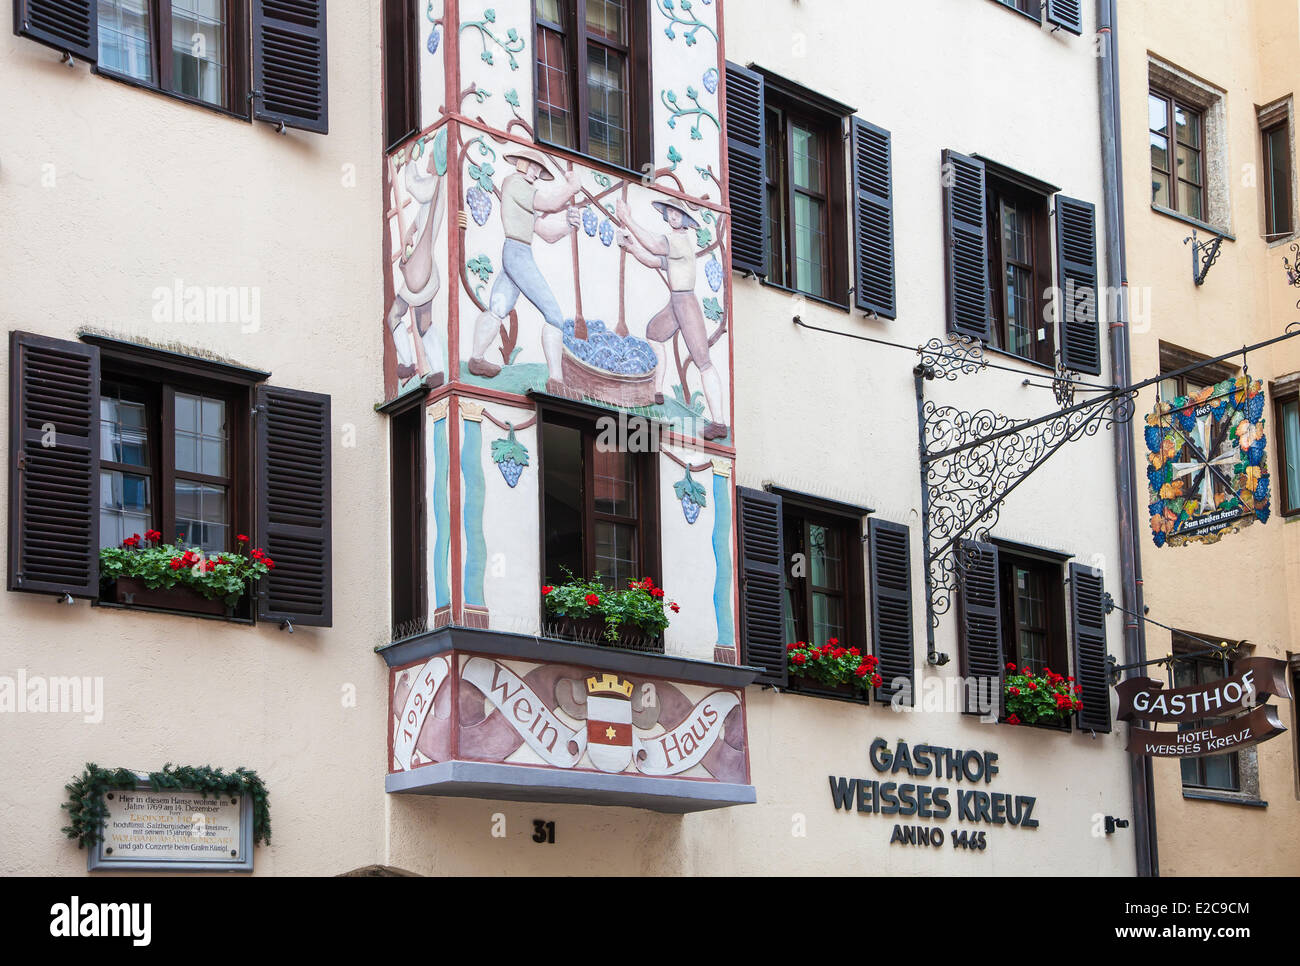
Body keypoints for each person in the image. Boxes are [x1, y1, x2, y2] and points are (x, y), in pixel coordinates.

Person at [467, 147, 584, 393]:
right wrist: (570, 188)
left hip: (517, 252)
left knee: (498, 308)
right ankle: (556, 381)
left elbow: (544, 232)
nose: (535, 171)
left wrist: (568, 226)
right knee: (554, 315)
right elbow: (550, 203)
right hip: (517, 253)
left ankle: (476, 359)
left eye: (539, 169)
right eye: (532, 165)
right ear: (519, 162)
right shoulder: (515, 183)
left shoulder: (524, 193)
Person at [616, 197, 728, 441]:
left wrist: (627, 219)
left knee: (703, 362)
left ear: (685, 219)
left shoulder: (679, 241)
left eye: (677, 213)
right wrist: (631, 247)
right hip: (675, 303)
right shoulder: (674, 245)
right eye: (670, 212)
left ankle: (719, 423)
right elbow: (653, 260)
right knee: (653, 333)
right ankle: (658, 390)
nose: (673, 216)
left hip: (686, 304)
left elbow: (656, 246)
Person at [388, 143, 446, 386]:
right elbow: (424, 217)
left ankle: (407, 363)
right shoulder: (440, 188)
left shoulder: (435, 184)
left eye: (432, 157)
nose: (428, 160)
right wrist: (411, 229)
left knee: (394, 316)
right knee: (423, 324)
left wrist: (411, 161)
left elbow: (414, 187)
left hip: (420, 274)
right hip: (428, 271)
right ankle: (438, 370)